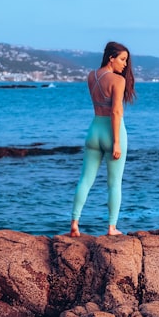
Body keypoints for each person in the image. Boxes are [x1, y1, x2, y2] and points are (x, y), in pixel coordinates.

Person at [69, 41, 136, 237]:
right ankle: (112, 228)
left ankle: (74, 223)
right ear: (111, 58)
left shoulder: (92, 76)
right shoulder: (118, 80)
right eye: (122, 60)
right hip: (112, 132)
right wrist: (116, 142)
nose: (124, 65)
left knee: (85, 180)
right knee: (114, 183)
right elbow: (116, 112)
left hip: (94, 131)